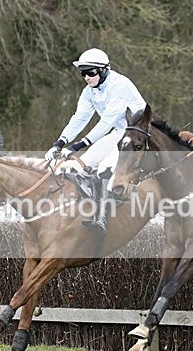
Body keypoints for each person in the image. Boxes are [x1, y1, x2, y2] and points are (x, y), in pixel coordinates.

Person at [44, 48, 147, 233]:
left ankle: (103, 218)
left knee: (104, 167)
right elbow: (78, 119)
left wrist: (77, 145)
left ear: (104, 70)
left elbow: (106, 122)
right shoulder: (89, 91)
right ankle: (87, 209)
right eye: (83, 73)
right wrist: (59, 143)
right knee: (82, 165)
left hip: (137, 135)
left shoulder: (120, 85)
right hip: (119, 132)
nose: (86, 77)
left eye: (91, 72)